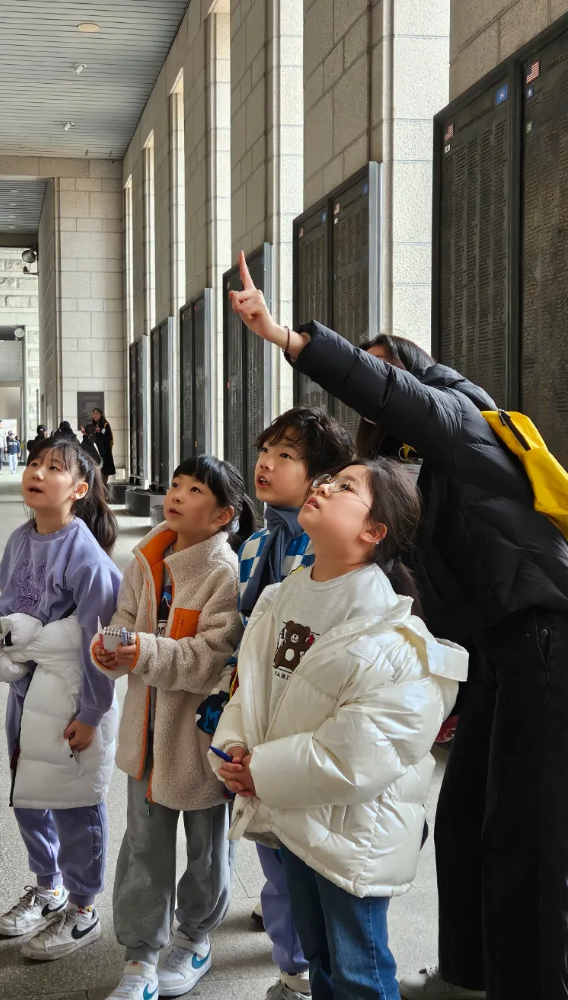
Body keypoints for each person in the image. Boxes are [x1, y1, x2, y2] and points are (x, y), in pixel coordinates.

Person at [228, 250, 568, 1000]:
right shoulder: (406, 469)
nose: (372, 388)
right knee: (463, 824)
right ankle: (468, 973)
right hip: (490, 650)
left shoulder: (462, 417)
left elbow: (387, 387)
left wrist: (287, 337)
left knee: (527, 837)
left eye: (380, 370)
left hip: (541, 635)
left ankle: (529, 986)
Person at [212, 458, 468, 1000]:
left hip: (355, 834)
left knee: (359, 972)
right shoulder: (284, 593)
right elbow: (254, 684)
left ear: (374, 532)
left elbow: (358, 754)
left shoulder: (393, 635)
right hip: (296, 816)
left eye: (345, 486)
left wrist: (261, 770)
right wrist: (237, 747)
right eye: (328, 478)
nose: (325, 485)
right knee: (321, 960)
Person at [196, 406, 353, 1000]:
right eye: (265, 450)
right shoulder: (257, 540)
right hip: (251, 705)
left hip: (303, 715)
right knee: (267, 837)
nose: (265, 462)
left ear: (320, 477)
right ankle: (294, 956)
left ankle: (300, 969)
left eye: (285, 455)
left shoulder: (326, 551)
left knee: (299, 845)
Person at [92, 455, 254, 1000]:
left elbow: (210, 657)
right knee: (143, 848)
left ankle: (195, 936)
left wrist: (143, 650)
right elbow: (123, 620)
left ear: (223, 515)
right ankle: (139, 956)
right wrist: (111, 649)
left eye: (194, 490)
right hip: (144, 740)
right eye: (177, 484)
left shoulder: (222, 573)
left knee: (207, 848)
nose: (177, 494)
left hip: (198, 744)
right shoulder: (148, 557)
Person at [0, 437, 121, 961]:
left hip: (74, 696)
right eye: (34, 463)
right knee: (28, 791)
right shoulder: (19, 539)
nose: (37, 471)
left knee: (77, 800)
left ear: (79, 490)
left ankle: (83, 908)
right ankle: (48, 884)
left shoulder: (88, 558)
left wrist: (91, 714)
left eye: (54, 467)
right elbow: (10, 609)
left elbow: (100, 646)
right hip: (26, 691)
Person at [86, 408, 115, 485]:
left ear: (101, 414)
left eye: (97, 413)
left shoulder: (105, 424)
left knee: (104, 473)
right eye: (94, 413)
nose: (95, 415)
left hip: (105, 452)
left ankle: (104, 490)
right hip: (97, 452)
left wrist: (101, 431)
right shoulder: (94, 425)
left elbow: (108, 437)